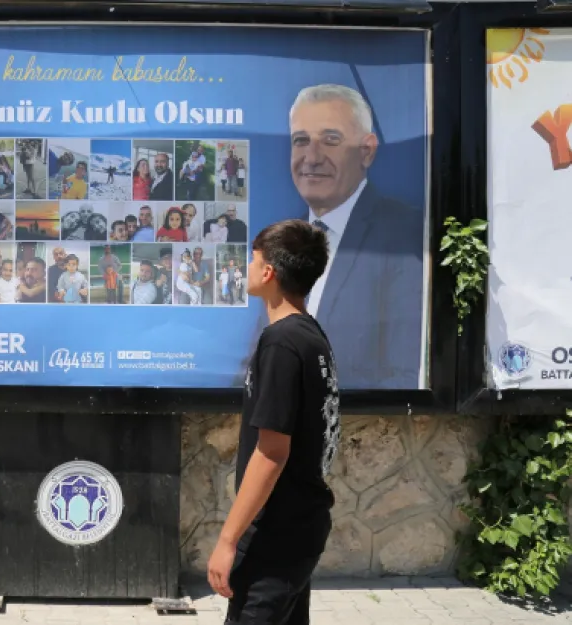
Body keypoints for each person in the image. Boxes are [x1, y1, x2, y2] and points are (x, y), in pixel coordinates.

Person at [207, 219, 338, 625]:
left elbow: (272, 452)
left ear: (269, 273)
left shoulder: (282, 341)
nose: (247, 267)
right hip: (300, 527)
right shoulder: (310, 334)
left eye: (253, 259)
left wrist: (228, 541)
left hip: (276, 536)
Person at [287, 83, 423, 388]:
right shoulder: (285, 239)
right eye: (301, 140)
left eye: (330, 140)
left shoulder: (404, 233)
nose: (311, 157)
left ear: (367, 151)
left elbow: (406, 371)